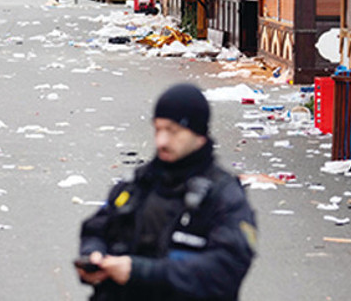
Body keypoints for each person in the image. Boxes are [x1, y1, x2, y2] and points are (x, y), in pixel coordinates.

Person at [76, 83, 256, 301]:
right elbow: (96, 229)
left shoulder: (224, 196)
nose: (162, 141)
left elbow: (224, 273)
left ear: (199, 135)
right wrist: (94, 256)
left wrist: (139, 272)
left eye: (172, 131)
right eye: (158, 129)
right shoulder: (137, 184)